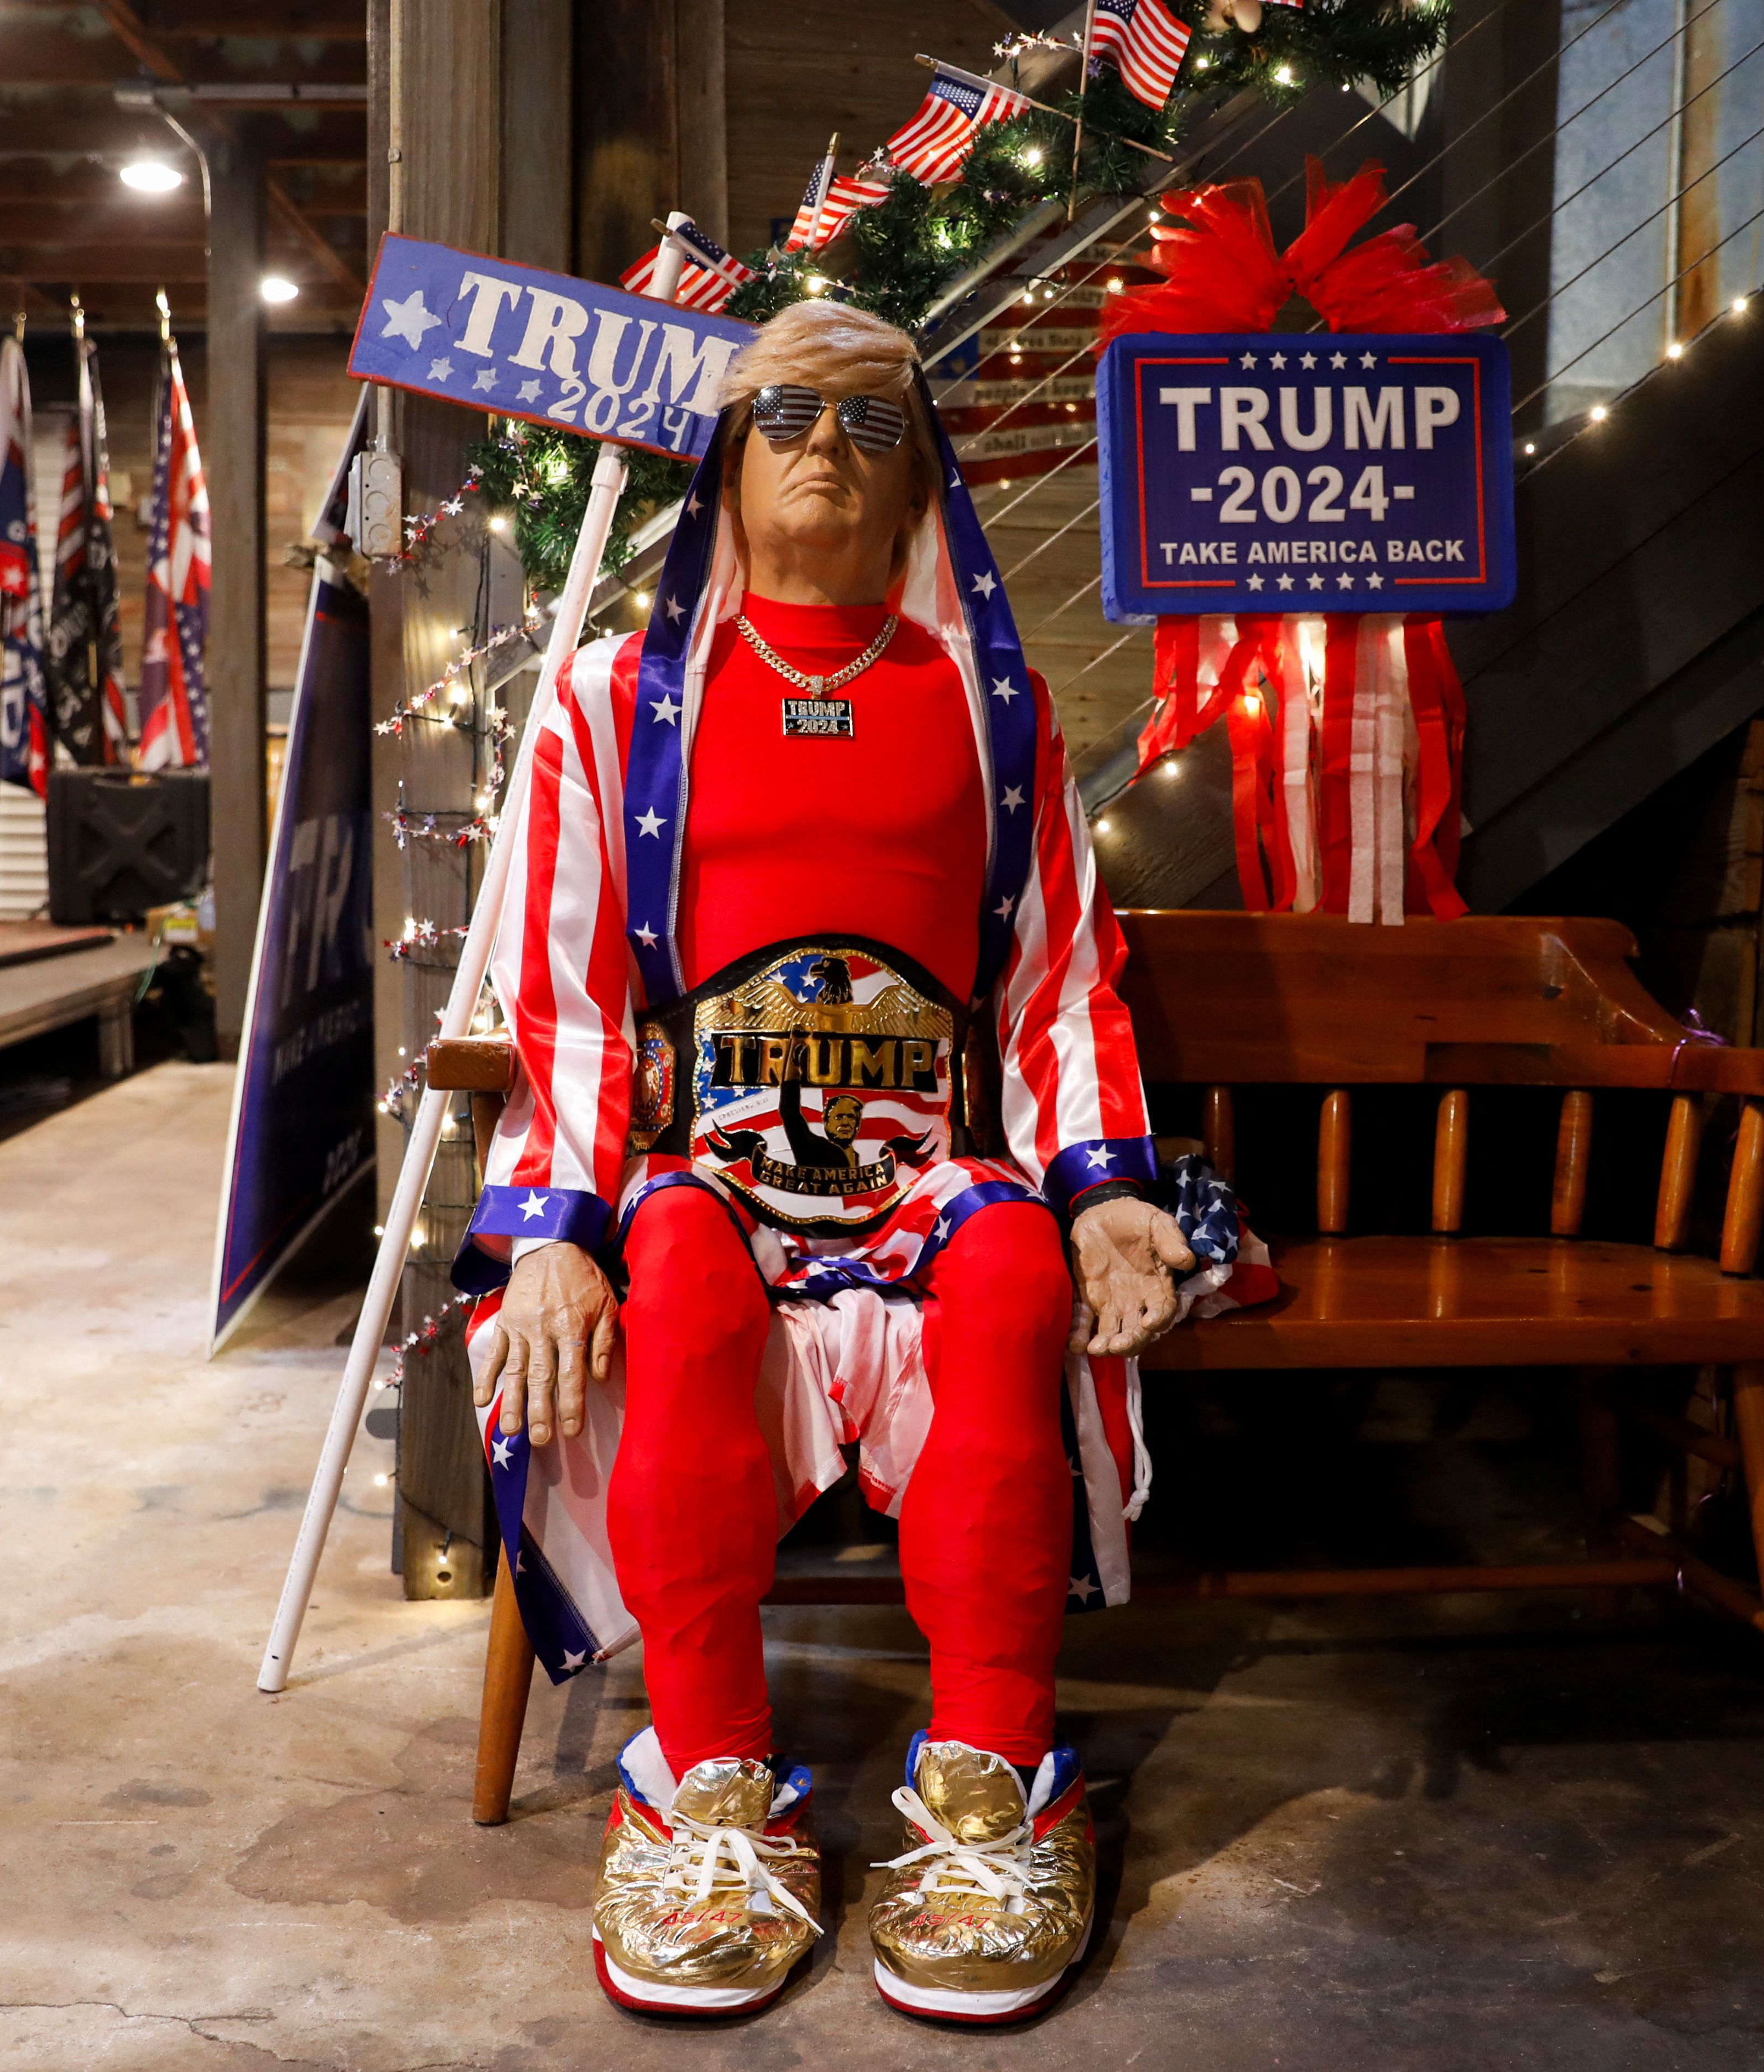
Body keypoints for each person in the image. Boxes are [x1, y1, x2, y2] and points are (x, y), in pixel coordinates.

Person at [461, 298, 1192, 2020]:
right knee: (687, 1282)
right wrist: (556, 1226)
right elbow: (560, 988)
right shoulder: (605, 700)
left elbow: (1056, 980)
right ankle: (707, 1782)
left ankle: (1000, 1783)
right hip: (708, 1162)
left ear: (921, 467)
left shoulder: (999, 709)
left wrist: (1105, 1190)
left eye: (869, 423)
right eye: (785, 412)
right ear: (724, 452)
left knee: (1013, 1275)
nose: (821, 449)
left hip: (931, 1167)